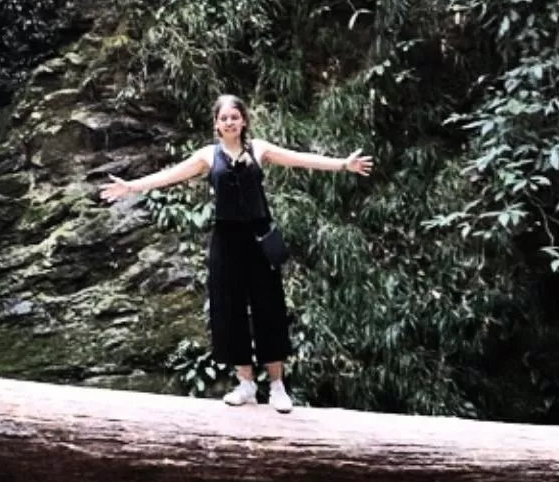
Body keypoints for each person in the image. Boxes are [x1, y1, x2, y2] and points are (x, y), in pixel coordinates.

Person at [99, 95, 373, 412]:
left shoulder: (259, 149)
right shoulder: (208, 155)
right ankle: (245, 383)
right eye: (223, 118)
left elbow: (300, 158)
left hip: (259, 237)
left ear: (243, 120)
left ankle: (277, 385)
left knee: (269, 307)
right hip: (226, 239)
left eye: (234, 117)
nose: (229, 122)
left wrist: (343, 164)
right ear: (216, 124)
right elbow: (169, 175)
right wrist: (131, 186)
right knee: (228, 309)